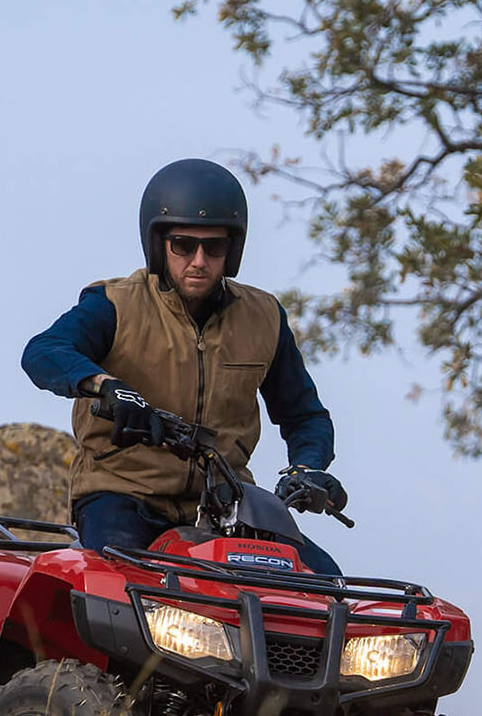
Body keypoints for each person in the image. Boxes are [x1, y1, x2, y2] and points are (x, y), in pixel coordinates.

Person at [21, 157, 348, 576]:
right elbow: (44, 351)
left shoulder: (264, 317)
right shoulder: (115, 305)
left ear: (232, 251)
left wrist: (308, 467)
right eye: (183, 245)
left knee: (327, 583)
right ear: (159, 244)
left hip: (228, 505)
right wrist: (105, 386)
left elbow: (305, 415)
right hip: (123, 496)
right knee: (119, 581)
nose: (198, 260)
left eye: (214, 248)